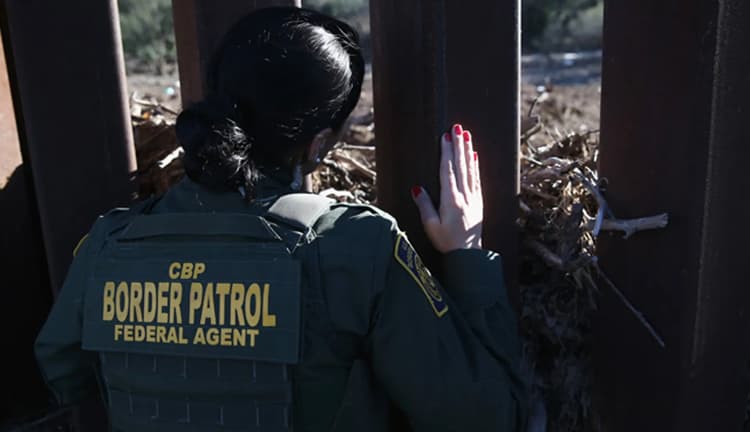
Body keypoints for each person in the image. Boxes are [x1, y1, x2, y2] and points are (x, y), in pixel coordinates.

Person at [34, 6, 526, 432]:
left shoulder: (107, 243)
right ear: (317, 145)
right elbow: (486, 418)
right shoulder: (355, 245)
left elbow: (62, 369)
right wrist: (468, 260)